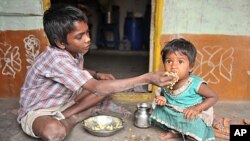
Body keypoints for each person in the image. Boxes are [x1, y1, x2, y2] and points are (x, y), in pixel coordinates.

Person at [17, 4, 173, 141]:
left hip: (66, 100)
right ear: (60, 42)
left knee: (107, 85)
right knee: (54, 132)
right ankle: (77, 115)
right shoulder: (55, 58)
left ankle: (67, 114)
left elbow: (74, 70)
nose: (87, 40)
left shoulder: (75, 51)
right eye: (80, 36)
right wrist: (147, 78)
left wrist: (96, 73)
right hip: (40, 110)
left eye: (87, 32)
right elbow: (96, 88)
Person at [150, 38, 218, 141]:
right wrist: (162, 99)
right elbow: (163, 94)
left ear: (190, 67)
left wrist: (197, 108)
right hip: (173, 111)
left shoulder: (195, 84)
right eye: (169, 61)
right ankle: (176, 132)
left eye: (180, 62)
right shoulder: (165, 80)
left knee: (193, 123)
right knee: (158, 111)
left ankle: (185, 133)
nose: (173, 67)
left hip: (189, 113)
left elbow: (214, 97)